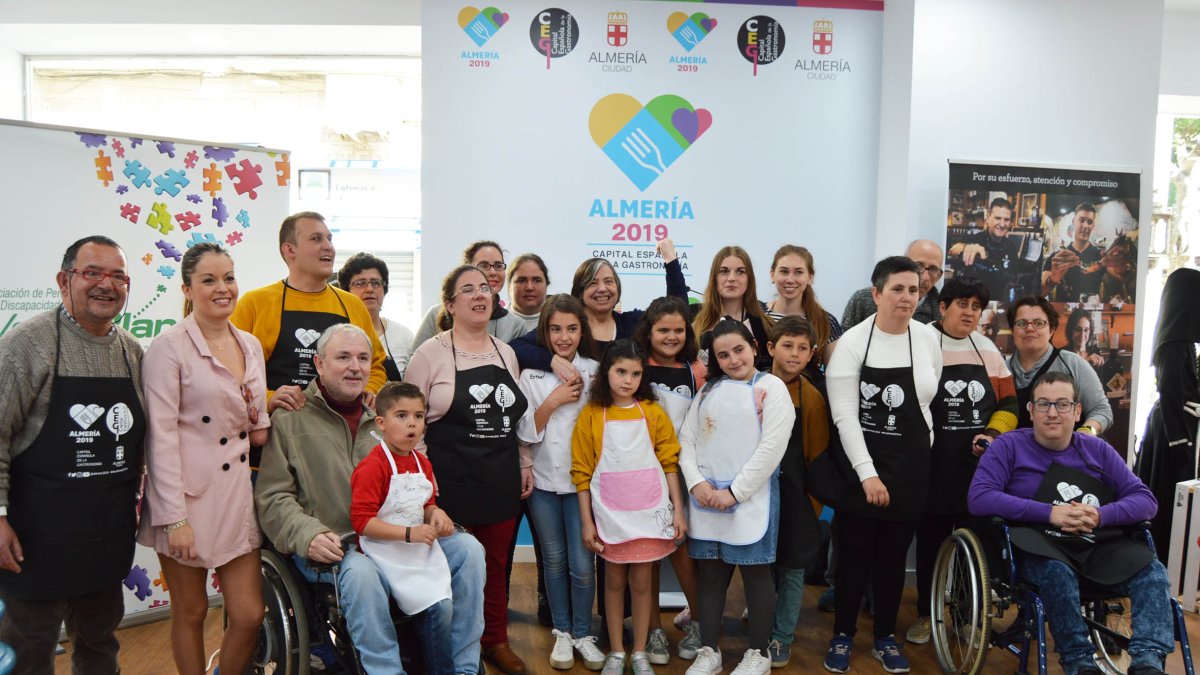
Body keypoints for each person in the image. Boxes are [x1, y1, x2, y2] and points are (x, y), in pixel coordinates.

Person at [255, 323, 486, 675]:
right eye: (343, 357)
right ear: (318, 364)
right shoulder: (290, 419)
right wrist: (309, 534)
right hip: (337, 546)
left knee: (469, 550)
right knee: (361, 574)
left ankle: (463, 667)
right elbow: (273, 496)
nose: (355, 366)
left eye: (363, 358)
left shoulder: (383, 421)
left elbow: (415, 485)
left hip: (396, 539)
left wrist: (432, 511)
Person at [0, 236, 145, 673]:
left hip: (105, 535)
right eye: (93, 273)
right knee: (29, 651)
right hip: (34, 539)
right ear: (65, 280)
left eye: (118, 276)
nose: (107, 284)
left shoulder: (132, 352)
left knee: (100, 645)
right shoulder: (28, 344)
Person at [969, 372, 1174, 675]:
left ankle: (1148, 661)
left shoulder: (1098, 450)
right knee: (1057, 572)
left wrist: (1101, 515)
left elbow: (1145, 500)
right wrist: (1049, 512)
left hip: (1096, 542)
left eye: (1062, 404)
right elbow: (980, 498)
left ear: (1078, 411)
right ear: (1031, 411)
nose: (1053, 413)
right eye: (1044, 404)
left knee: (1153, 573)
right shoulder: (1008, 447)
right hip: (1039, 544)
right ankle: (1078, 661)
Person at [137, 243, 269, 675]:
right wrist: (174, 519)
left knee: (249, 613)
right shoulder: (169, 347)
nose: (223, 288)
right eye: (209, 280)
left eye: (228, 277)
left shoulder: (249, 344)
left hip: (234, 493)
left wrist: (284, 404)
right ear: (187, 289)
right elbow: (160, 437)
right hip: (186, 498)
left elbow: (257, 425)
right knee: (191, 613)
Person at [404, 265, 530, 675]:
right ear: (450, 304)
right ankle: (452, 650)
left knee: (496, 569)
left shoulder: (505, 352)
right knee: (446, 572)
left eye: (485, 288)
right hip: (449, 482)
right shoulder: (430, 355)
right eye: (468, 290)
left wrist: (524, 462)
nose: (480, 295)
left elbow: (514, 419)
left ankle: (494, 641)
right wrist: (424, 482)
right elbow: (411, 424)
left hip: (499, 477)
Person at [824, 256, 943, 674]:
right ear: (876, 294)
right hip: (861, 468)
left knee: (893, 559)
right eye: (897, 289)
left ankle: (885, 637)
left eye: (913, 289)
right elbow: (844, 416)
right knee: (855, 556)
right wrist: (867, 473)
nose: (907, 297)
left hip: (909, 469)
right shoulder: (854, 342)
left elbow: (927, 403)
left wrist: (919, 453)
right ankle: (842, 635)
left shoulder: (928, 339)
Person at [905, 276, 1018, 646]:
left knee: (976, 545)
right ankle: (927, 614)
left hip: (976, 470)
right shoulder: (920, 342)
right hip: (931, 468)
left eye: (976, 307)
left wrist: (993, 434)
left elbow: (1009, 405)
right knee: (932, 544)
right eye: (962, 305)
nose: (969, 313)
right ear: (943, 307)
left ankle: (968, 618)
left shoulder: (987, 350)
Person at [678, 320, 794, 675]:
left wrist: (734, 492)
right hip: (707, 500)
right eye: (723, 355)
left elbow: (771, 449)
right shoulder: (709, 390)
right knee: (711, 577)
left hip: (749, 501)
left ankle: (758, 653)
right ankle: (709, 650)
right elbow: (687, 439)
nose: (732, 360)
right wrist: (697, 484)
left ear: (755, 347)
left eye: (738, 350)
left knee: (756, 577)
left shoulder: (771, 388)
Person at [572, 339, 687, 675]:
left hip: (649, 514)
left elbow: (669, 463)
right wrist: (586, 522)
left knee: (641, 583)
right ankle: (617, 651)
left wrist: (678, 510)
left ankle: (639, 650)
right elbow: (581, 473)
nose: (627, 380)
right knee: (613, 583)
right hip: (609, 515)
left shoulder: (652, 413)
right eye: (621, 371)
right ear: (606, 371)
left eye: (635, 374)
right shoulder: (591, 416)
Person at [515, 295, 607, 671]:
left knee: (583, 564)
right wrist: (552, 401)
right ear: (545, 332)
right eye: (555, 329)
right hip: (544, 482)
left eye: (571, 329)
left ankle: (584, 633)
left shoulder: (596, 371)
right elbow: (523, 429)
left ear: (582, 330)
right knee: (553, 561)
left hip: (585, 485)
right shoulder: (530, 375)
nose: (564, 337)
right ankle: (563, 633)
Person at [231, 211, 386, 418]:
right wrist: (267, 398)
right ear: (289, 250)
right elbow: (231, 371)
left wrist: (370, 389)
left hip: (340, 428)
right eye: (316, 239)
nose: (328, 246)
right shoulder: (255, 303)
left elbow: (376, 365)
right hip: (277, 429)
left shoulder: (352, 305)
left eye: (329, 239)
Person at [350, 382, 457, 675]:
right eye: (401, 416)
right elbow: (361, 522)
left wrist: (436, 513)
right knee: (439, 609)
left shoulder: (422, 463)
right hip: (385, 555)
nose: (412, 423)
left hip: (417, 552)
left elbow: (426, 501)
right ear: (381, 423)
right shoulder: (373, 467)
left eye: (419, 416)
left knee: (445, 604)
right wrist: (410, 534)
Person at [630, 296, 703, 661]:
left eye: (678, 330)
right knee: (649, 554)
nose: (671, 336)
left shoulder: (696, 369)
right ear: (649, 331)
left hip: (683, 472)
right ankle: (654, 630)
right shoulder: (636, 367)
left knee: (682, 550)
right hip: (641, 473)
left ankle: (700, 622)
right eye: (663, 329)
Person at [512, 239, 686, 375]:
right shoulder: (569, 327)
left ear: (617, 288)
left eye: (609, 281)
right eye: (593, 283)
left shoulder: (633, 322)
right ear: (580, 291)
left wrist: (671, 261)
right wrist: (552, 361)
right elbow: (516, 347)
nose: (602, 288)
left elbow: (677, 311)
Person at [763, 317, 828, 668]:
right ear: (771, 348)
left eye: (803, 348)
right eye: (788, 345)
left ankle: (781, 636)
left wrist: (810, 505)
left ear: (811, 355)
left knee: (791, 568)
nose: (795, 354)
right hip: (755, 492)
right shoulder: (753, 385)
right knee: (761, 564)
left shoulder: (813, 398)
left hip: (796, 494)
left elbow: (816, 456)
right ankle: (762, 612)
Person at [1006, 296, 1112, 433]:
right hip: (1015, 453)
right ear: (1012, 330)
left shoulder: (1074, 364)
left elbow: (1102, 410)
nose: (1030, 329)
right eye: (1021, 323)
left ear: (1052, 329)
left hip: (1067, 452)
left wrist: (1086, 432)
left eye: (1038, 323)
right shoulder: (1001, 369)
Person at [411, 241, 528, 348]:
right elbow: (413, 363)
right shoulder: (435, 314)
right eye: (484, 266)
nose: (493, 272)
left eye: (498, 266)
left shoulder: (516, 325)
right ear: (467, 269)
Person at [764, 245, 844, 378]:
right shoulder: (757, 314)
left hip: (809, 396)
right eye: (784, 271)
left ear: (810, 277)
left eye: (798, 272)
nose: (790, 279)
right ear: (772, 274)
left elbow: (836, 376)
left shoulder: (826, 322)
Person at [691, 246, 774, 371]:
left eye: (740, 271)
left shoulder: (765, 326)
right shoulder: (693, 318)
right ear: (714, 278)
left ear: (749, 279)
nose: (731, 278)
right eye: (724, 271)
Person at [338, 252, 416, 381]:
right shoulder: (336, 335)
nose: (369, 289)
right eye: (360, 283)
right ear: (346, 291)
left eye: (376, 283)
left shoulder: (403, 336)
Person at [841, 240, 944, 330]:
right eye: (918, 266)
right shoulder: (863, 299)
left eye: (933, 270)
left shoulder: (942, 311)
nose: (925, 277)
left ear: (939, 276)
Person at [947, 197, 1023, 304]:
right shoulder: (975, 239)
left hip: (1000, 303)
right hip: (975, 302)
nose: (1002, 224)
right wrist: (966, 248)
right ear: (988, 218)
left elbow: (1014, 278)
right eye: (997, 218)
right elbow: (953, 250)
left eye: (1006, 219)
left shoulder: (1011, 246)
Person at [1043, 202, 1104, 301]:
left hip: (1090, 314)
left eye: (1089, 222)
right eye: (1081, 220)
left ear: (1093, 226)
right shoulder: (1058, 256)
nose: (1085, 226)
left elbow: (1123, 278)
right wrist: (1052, 280)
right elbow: (1040, 292)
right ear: (1073, 221)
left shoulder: (1101, 256)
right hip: (1063, 314)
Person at [507, 253, 551, 330]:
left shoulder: (559, 322)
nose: (530, 287)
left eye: (537, 281)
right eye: (522, 281)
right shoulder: (492, 322)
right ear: (509, 286)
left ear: (546, 284)